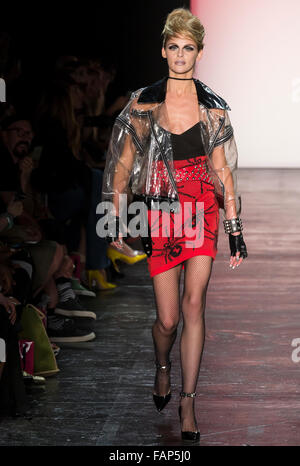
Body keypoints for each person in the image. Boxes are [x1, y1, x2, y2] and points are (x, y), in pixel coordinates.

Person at [101, 8, 248, 443]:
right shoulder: (144, 102)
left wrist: (235, 226)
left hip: (201, 208)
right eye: (173, 46)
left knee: (193, 305)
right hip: (161, 211)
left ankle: (188, 400)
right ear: (163, 49)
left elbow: (223, 172)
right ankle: (162, 366)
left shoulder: (213, 108)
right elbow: (122, 166)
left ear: (199, 52)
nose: (180, 54)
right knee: (166, 320)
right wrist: (117, 216)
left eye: (188, 47)